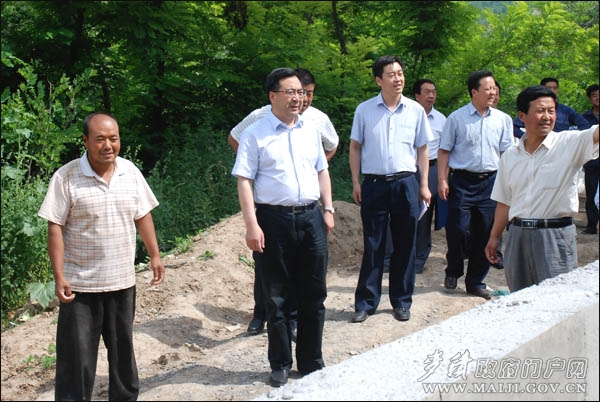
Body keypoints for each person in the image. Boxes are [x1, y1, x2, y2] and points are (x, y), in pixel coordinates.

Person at [37, 113, 166, 401]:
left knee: (122, 352)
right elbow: (55, 227)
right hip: (80, 286)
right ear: (85, 141)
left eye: (113, 138)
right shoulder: (66, 177)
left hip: (122, 281)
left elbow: (143, 215)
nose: (108, 145)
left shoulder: (129, 171)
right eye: (100, 139)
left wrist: (155, 255)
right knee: (77, 359)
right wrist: (59, 275)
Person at [231, 67, 334, 387]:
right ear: (272, 96)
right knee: (276, 296)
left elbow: (322, 170)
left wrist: (328, 208)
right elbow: (244, 180)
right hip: (272, 220)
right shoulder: (255, 134)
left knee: (314, 292)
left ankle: (311, 359)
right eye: (290, 92)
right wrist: (251, 224)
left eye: (301, 92)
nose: (298, 98)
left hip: (311, 218)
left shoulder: (310, 130)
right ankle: (280, 363)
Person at [485, 86, 599, 292]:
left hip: (555, 237)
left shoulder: (569, 143)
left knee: (556, 300)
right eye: (540, 111)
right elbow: (504, 202)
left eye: (551, 111)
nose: (547, 117)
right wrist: (494, 237)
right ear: (522, 116)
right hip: (517, 236)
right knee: (519, 298)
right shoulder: (510, 155)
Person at [349, 55, 432, 324]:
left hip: (406, 183)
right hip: (374, 184)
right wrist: (356, 182)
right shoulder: (364, 110)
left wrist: (424, 185)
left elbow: (422, 148)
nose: (398, 79)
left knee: (405, 244)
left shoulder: (415, 110)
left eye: (400, 73)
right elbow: (355, 146)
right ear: (378, 80)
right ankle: (366, 302)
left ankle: (402, 301)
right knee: (373, 243)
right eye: (391, 74)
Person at [438, 70, 514, 300]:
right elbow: (444, 151)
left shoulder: (503, 119)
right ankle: (453, 269)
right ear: (474, 92)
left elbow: (506, 153)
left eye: (494, 89)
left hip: (491, 182)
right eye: (487, 89)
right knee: (457, 230)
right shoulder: (456, 118)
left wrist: (509, 182)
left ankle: (475, 282)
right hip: (462, 181)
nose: (492, 93)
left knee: (485, 232)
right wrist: (442, 179)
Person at [412, 78, 447, 273]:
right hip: (408, 169)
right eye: (427, 92)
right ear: (417, 95)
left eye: (434, 92)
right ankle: (394, 256)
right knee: (404, 211)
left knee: (425, 213)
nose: (431, 95)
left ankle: (419, 259)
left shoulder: (442, 120)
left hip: (432, 167)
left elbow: (446, 150)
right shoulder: (407, 115)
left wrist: (443, 178)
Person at [513, 77, 590, 136]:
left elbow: (584, 124)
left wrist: (571, 138)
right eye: (549, 88)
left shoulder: (566, 110)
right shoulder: (532, 109)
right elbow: (514, 127)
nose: (552, 90)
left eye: (555, 88)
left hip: (560, 146)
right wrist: (526, 137)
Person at [582, 84, 599, 234]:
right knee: (591, 192)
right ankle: (592, 224)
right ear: (590, 99)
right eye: (594, 95)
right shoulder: (584, 118)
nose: (598, 98)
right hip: (592, 160)